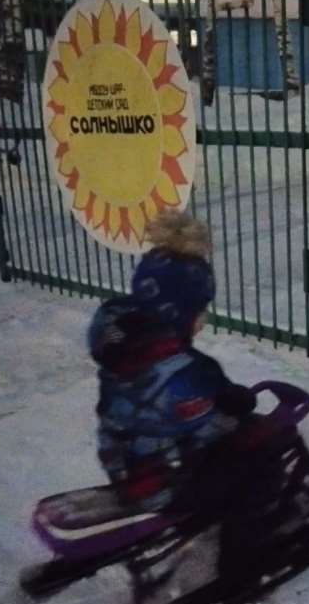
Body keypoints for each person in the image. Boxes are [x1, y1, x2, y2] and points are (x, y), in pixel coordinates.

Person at [87, 210, 255, 514]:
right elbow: (215, 420)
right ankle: (244, 549)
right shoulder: (191, 372)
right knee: (256, 454)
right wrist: (239, 402)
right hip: (165, 482)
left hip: (121, 462)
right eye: (200, 310)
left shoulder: (120, 343)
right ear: (178, 312)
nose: (203, 320)